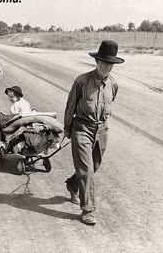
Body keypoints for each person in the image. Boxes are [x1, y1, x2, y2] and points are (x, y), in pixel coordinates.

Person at [63, 40, 124, 225]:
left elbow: (110, 102)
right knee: (87, 169)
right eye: (104, 62)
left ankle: (72, 184)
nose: (106, 67)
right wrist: (67, 128)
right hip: (81, 127)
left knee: (94, 165)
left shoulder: (113, 84)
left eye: (110, 64)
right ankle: (87, 210)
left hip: (102, 129)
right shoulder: (81, 81)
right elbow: (70, 106)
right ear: (96, 62)